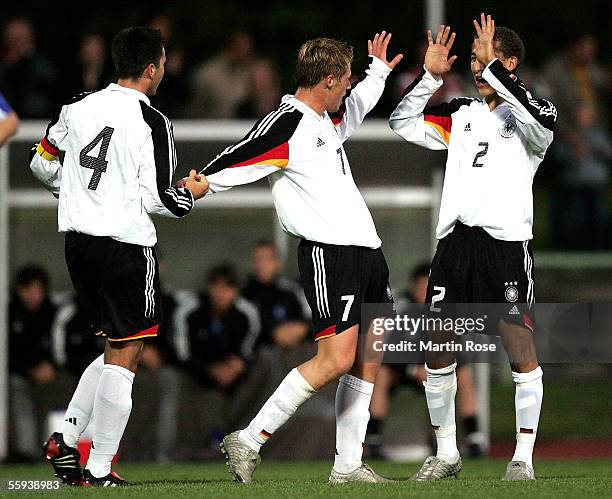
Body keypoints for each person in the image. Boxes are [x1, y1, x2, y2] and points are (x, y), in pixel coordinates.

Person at [197, 33, 403, 484]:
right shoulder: (288, 121)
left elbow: (360, 103)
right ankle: (249, 439)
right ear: (327, 79)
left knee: (370, 355)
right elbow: (243, 154)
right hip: (330, 253)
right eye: (345, 79)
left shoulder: (326, 120)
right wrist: (203, 182)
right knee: (334, 359)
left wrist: (379, 71)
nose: (349, 86)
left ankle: (348, 465)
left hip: (367, 251)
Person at [30, 26, 208, 486]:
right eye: (163, 63)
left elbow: (42, 162)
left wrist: (71, 193)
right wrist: (192, 194)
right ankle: (100, 467)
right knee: (127, 353)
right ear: (152, 69)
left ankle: (67, 438)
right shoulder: (153, 121)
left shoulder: (77, 106)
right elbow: (157, 199)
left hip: (78, 243)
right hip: (125, 245)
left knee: (114, 346)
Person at [389, 14, 555, 481]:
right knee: (437, 347)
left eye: (488, 58)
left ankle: (522, 457)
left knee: (518, 345)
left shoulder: (532, 119)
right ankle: (446, 453)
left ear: (511, 63)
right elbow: (402, 122)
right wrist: (429, 78)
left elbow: (539, 118)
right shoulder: (460, 111)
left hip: (504, 245)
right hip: (455, 244)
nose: (479, 66)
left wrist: (495, 69)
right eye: (478, 59)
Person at [366, 263, 485, 459]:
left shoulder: (445, 309)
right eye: (422, 287)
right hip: (402, 370)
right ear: (413, 287)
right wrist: (413, 370)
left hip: (433, 369)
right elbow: (390, 350)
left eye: (430, 288)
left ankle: (473, 439)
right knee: (382, 376)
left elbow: (455, 352)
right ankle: (373, 441)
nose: (426, 293)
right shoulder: (401, 308)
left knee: (463, 375)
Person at [8, 265, 57, 462]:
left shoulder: (52, 312)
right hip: (19, 375)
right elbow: (8, 354)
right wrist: (30, 370)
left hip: (49, 374)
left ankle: (57, 450)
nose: (35, 295)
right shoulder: (9, 313)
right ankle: (26, 452)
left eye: (39, 290)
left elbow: (60, 346)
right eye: (30, 289)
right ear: (20, 290)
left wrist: (50, 366)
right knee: (18, 389)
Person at [242, 241, 309, 349]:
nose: (262, 264)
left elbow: (310, 316)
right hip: (258, 357)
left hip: (296, 352)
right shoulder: (243, 294)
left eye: (268, 259)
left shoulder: (291, 291)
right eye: (258, 259)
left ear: (278, 263)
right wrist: (272, 333)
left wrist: (303, 328)